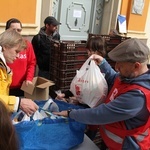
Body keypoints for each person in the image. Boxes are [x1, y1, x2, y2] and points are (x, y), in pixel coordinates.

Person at [54, 38, 150, 150]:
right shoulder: (129, 76)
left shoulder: (138, 96)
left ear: (136, 66)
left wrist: (71, 113)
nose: (117, 67)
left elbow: (100, 114)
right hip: (112, 141)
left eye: (121, 64)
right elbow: (115, 79)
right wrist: (103, 63)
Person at [0, 29, 38, 115]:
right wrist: (18, 102)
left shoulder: (4, 66)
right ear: (5, 46)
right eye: (16, 52)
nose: (18, 56)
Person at [5, 18, 36, 96]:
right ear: (6, 31)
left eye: (19, 30)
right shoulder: (2, 45)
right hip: (4, 87)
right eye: (13, 30)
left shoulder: (27, 44)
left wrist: (29, 78)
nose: (16, 32)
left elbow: (31, 63)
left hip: (21, 87)